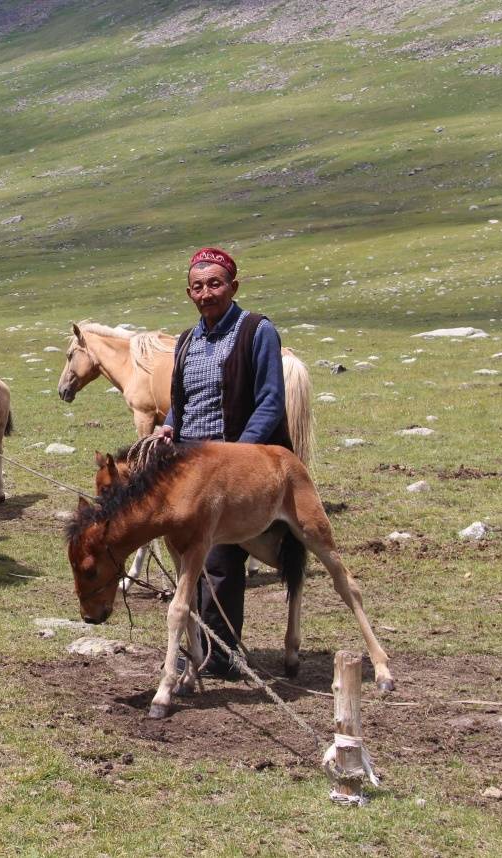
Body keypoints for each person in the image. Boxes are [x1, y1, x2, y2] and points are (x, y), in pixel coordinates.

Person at [158, 247, 292, 678]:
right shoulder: (186, 340)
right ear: (188, 292)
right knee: (185, 556)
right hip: (187, 461)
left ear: (233, 286)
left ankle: (222, 649)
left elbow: (271, 401)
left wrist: (242, 456)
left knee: (219, 558)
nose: (206, 293)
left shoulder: (257, 331)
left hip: (233, 457)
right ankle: (194, 643)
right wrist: (166, 426)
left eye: (215, 283)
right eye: (198, 286)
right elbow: (182, 402)